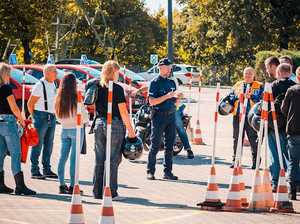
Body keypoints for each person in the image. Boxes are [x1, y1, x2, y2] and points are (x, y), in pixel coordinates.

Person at [92, 60, 136, 200]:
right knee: (113, 159)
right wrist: (131, 130)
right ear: (114, 72)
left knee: (99, 159)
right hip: (114, 124)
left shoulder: (97, 86)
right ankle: (111, 192)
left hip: (99, 123)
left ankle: (97, 192)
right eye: (118, 72)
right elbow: (123, 111)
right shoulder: (116, 88)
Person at [0, 63, 36, 195]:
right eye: (8, 73)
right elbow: (14, 108)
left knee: (0, 153)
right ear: (4, 74)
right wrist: (22, 121)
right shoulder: (6, 88)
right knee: (16, 153)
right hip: (8, 123)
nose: (9, 76)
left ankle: (0, 184)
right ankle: (20, 186)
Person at [147, 58, 181, 180]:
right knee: (155, 145)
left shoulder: (171, 82)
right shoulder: (154, 82)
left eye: (171, 67)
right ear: (162, 68)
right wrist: (167, 96)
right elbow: (152, 101)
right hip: (158, 116)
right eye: (169, 67)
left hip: (171, 116)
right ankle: (150, 171)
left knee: (169, 146)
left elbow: (174, 100)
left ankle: (168, 172)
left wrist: (177, 99)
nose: (171, 69)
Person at [55, 73, 89, 194]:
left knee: (62, 158)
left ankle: (61, 184)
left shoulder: (58, 97)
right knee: (74, 160)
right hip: (76, 129)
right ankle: (74, 186)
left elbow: (57, 117)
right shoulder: (77, 97)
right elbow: (84, 117)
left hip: (64, 129)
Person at [268, 63, 296, 191]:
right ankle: (294, 182)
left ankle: (275, 182)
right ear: (290, 73)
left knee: (275, 154)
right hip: (290, 127)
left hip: (274, 125)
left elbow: (267, 103)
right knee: (291, 157)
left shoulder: (274, 85)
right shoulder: (294, 87)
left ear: (278, 73)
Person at [228, 67, 263, 169]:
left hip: (251, 116)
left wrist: (251, 97)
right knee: (237, 138)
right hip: (237, 115)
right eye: (246, 73)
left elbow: (262, 99)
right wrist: (237, 97)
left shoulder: (259, 86)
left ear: (254, 74)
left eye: (250, 73)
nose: (247, 75)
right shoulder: (238, 85)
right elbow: (230, 96)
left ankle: (256, 161)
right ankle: (236, 160)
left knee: (253, 138)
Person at [27, 64, 58, 179]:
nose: (56, 73)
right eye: (54, 71)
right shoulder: (39, 85)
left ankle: (47, 169)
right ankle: (34, 170)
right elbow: (30, 104)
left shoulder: (53, 83)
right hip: (41, 116)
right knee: (37, 144)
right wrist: (34, 117)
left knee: (49, 145)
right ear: (47, 73)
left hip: (52, 116)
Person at [281, 80, 300, 200]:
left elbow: (284, 108)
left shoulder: (292, 90)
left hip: (294, 129)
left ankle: (292, 191)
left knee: (293, 161)